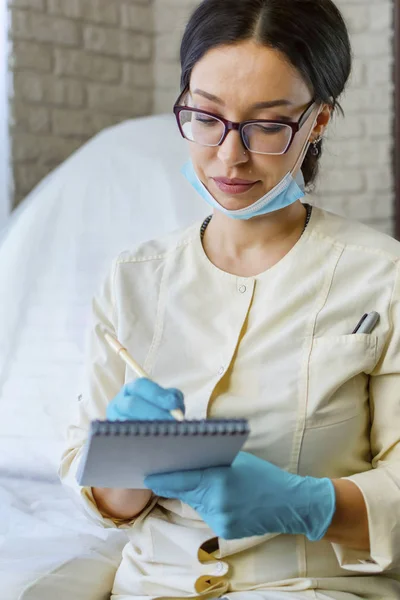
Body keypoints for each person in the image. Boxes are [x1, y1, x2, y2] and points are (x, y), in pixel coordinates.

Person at [59, 0, 400, 598]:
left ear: (317, 122)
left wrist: (309, 505)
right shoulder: (133, 278)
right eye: (206, 116)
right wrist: (126, 464)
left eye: (267, 125)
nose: (229, 155)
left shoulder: (384, 277)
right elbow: (100, 502)